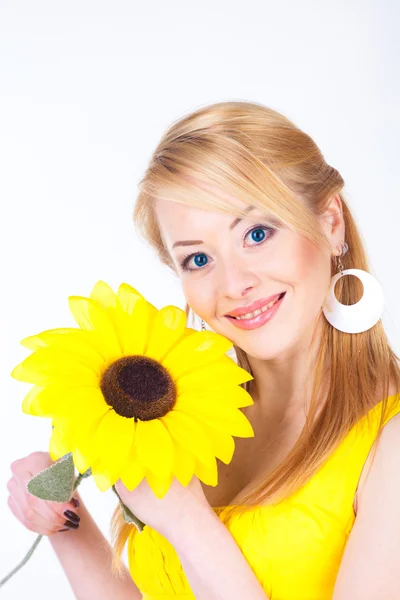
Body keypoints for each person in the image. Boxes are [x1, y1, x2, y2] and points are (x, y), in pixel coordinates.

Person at [7, 101, 400, 599]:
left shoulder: (390, 444)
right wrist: (66, 520)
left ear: (330, 221)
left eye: (256, 234)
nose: (234, 284)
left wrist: (190, 526)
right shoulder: (193, 416)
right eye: (198, 258)